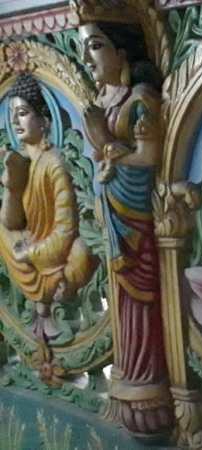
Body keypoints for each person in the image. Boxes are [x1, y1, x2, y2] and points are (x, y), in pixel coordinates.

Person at [78, 22, 172, 436]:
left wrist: (104, 141)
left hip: (137, 221)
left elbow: (148, 159)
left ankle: (146, 383)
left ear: (122, 54)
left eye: (96, 46)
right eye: (85, 48)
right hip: (113, 219)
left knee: (141, 302)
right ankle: (128, 377)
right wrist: (105, 148)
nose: (87, 58)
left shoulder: (141, 99)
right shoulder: (105, 99)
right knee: (119, 299)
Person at [0, 73, 95, 339]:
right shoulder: (21, 162)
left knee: (82, 251)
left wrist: (30, 253)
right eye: (12, 115)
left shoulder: (54, 164)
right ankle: (44, 296)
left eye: (22, 113)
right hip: (32, 255)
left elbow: (65, 232)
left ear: (44, 120)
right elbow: (11, 223)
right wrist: (12, 187)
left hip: (55, 256)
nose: (15, 122)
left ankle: (53, 291)